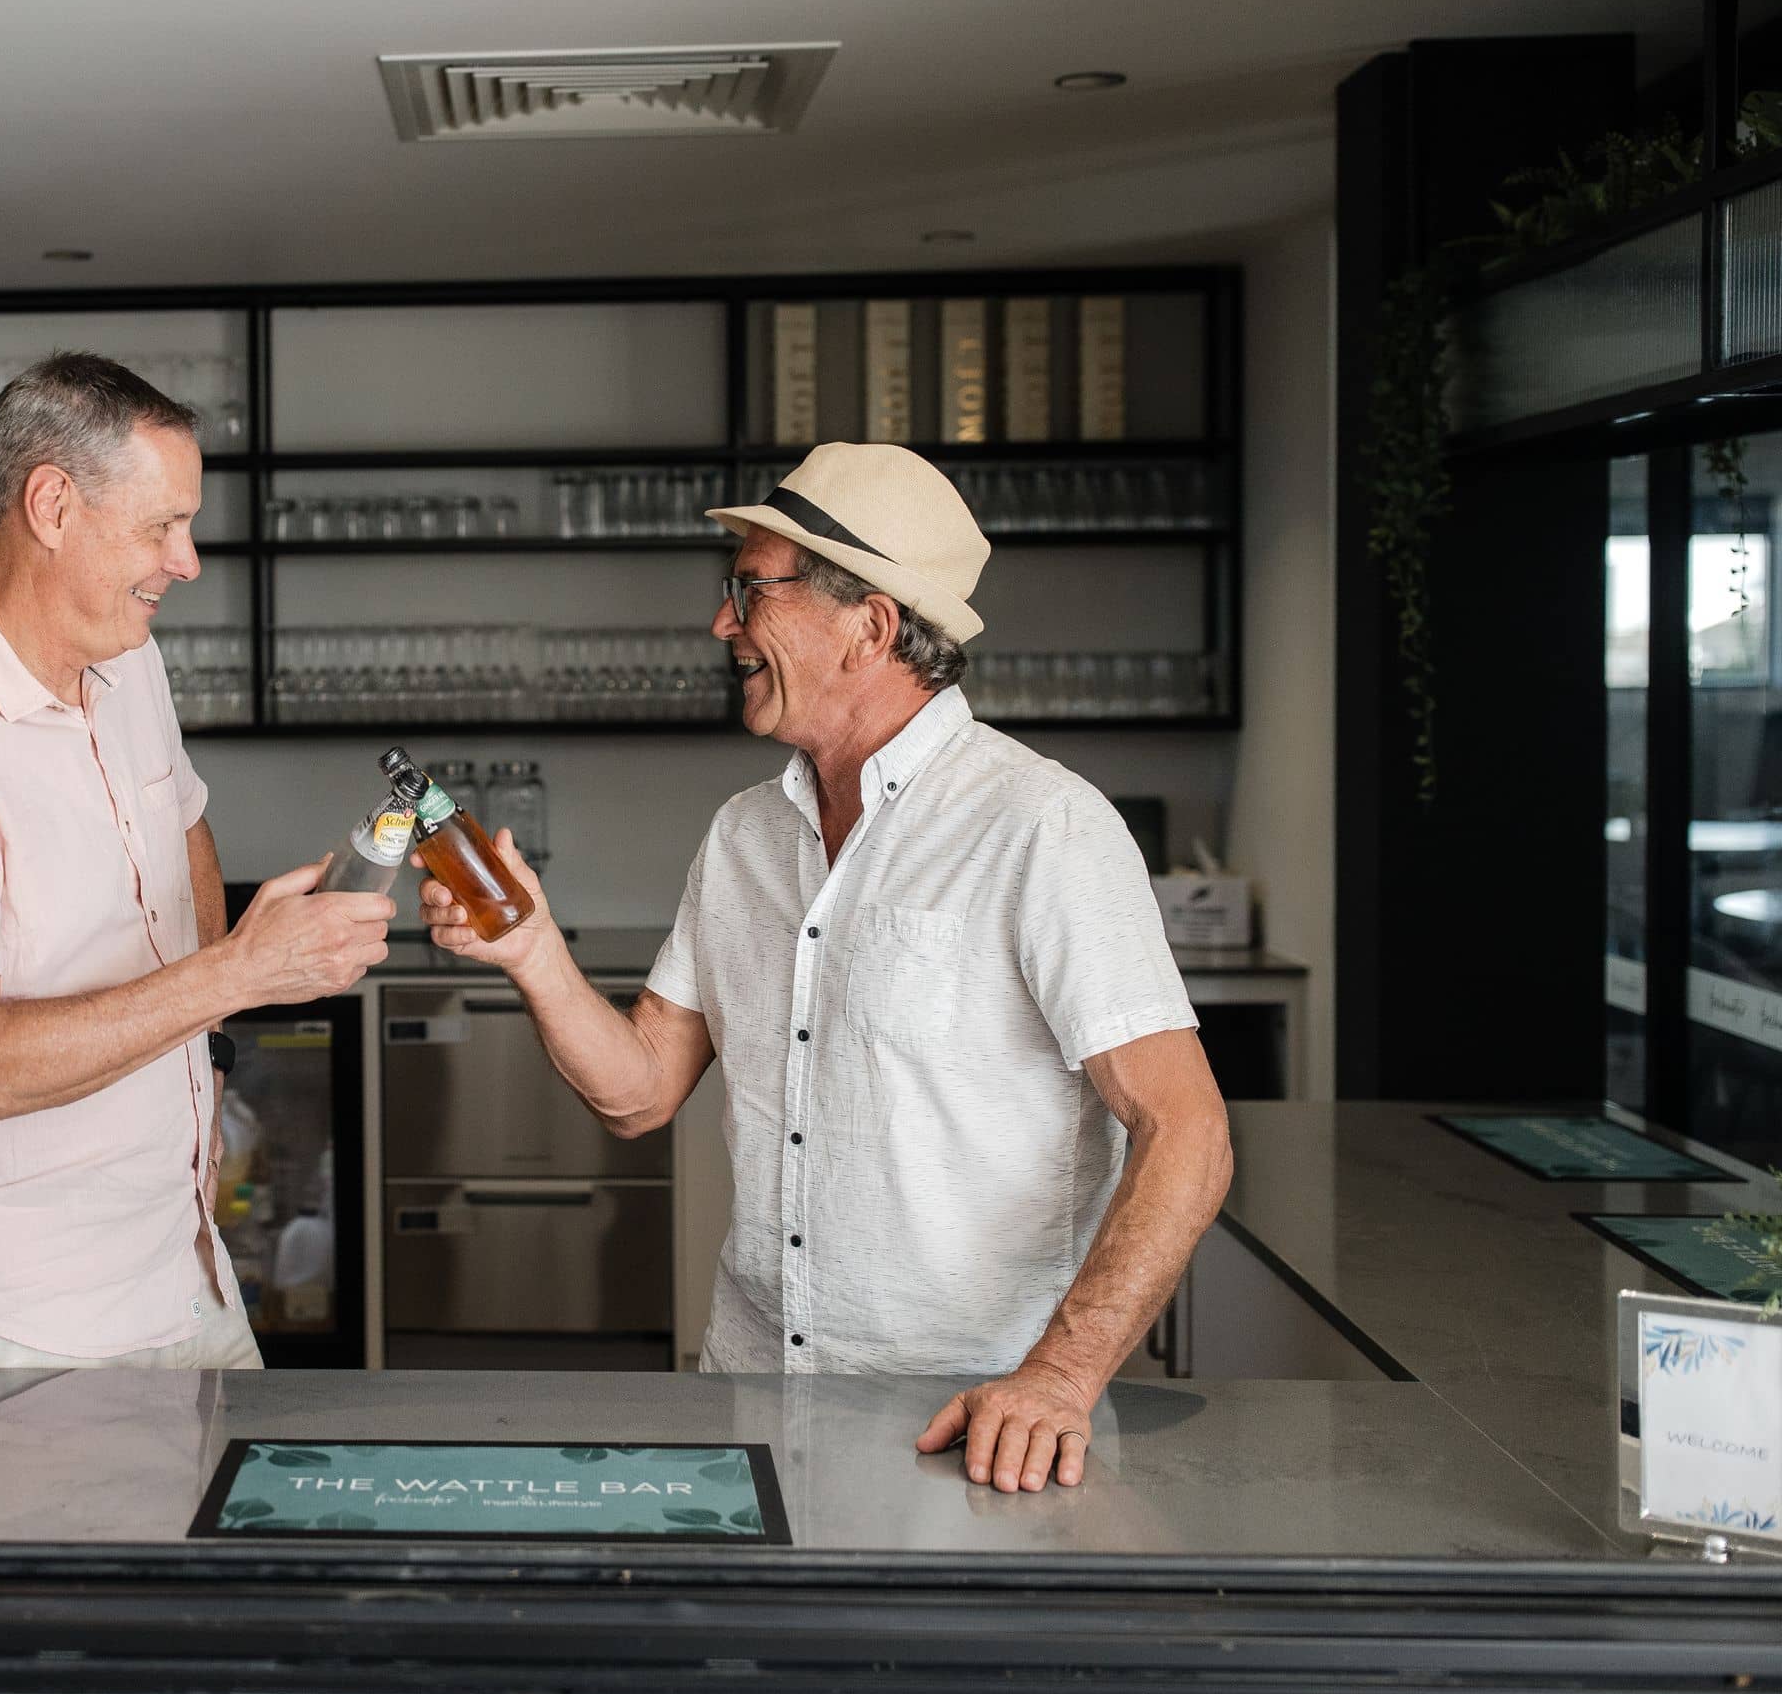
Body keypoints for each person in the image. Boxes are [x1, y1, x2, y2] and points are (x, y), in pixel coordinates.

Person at [418, 441, 1232, 1494]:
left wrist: (1060, 1377)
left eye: (750, 591)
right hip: (751, 1390)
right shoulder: (745, 835)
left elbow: (1189, 1130)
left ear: (871, 624)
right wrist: (531, 951)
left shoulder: (1040, 825)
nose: (723, 625)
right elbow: (638, 1092)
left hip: (972, 1427)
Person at [0, 352, 392, 1371]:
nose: (189, 560)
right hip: (6, 1319)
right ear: (52, 505)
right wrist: (239, 974)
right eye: (163, 524)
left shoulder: (130, 666)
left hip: (179, 1263)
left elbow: (184, 829)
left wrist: (207, 1044)